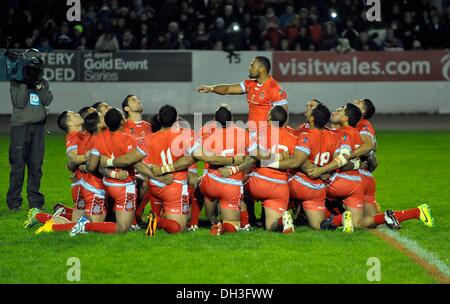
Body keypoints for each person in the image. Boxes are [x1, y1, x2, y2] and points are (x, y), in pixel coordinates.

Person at [194, 105, 256, 235]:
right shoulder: (243, 133)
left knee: (203, 189)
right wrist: (234, 164)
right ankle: (240, 224)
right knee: (233, 224)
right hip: (232, 184)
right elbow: (252, 158)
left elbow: (197, 155)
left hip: (211, 181)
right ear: (232, 119)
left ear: (214, 121)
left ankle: (211, 222)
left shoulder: (207, 134)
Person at [7, 48, 53, 211]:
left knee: (36, 166)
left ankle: (35, 202)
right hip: (20, 127)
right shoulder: (16, 80)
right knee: (18, 166)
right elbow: (19, 102)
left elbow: (47, 100)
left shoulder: (43, 81)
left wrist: (39, 86)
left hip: (38, 128)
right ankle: (14, 202)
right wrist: (26, 82)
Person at [197, 56, 287, 137]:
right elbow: (228, 89)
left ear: (261, 69)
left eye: (252, 66)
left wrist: (277, 139)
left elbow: (283, 117)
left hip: (265, 136)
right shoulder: (249, 84)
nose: (249, 68)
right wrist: (210, 88)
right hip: (251, 133)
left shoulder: (274, 89)